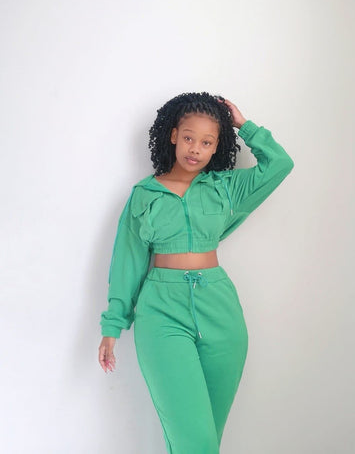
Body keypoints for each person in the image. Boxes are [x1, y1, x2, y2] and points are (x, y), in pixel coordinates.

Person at [98, 92, 294, 453]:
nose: (196, 149)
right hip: (161, 311)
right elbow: (127, 261)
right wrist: (113, 325)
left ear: (217, 146)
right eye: (189, 138)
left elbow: (280, 164)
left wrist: (244, 126)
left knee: (206, 442)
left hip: (220, 309)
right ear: (173, 135)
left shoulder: (225, 187)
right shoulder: (144, 194)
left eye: (207, 142)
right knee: (195, 441)